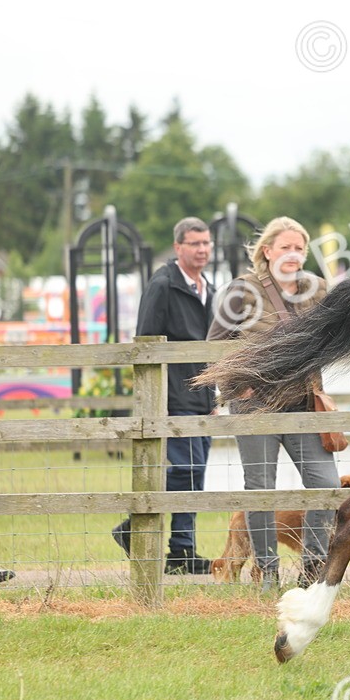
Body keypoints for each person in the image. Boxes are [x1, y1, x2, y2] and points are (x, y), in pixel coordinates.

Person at [206, 216, 339, 589]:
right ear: (267, 251)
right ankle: (267, 571)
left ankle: (314, 568)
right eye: (285, 247)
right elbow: (213, 344)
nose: (293, 254)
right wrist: (238, 387)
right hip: (256, 405)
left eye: (299, 248)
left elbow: (334, 336)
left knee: (325, 483)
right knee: (261, 488)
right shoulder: (242, 290)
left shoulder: (317, 289)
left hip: (304, 403)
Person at [112, 217, 216, 575]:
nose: (202, 250)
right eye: (194, 244)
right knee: (186, 468)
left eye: (206, 243)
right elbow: (146, 342)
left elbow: (209, 348)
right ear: (178, 248)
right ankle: (131, 526)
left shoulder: (209, 288)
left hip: (202, 396)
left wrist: (214, 396)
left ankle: (182, 549)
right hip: (172, 396)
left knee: (197, 472)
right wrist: (157, 399)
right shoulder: (163, 285)